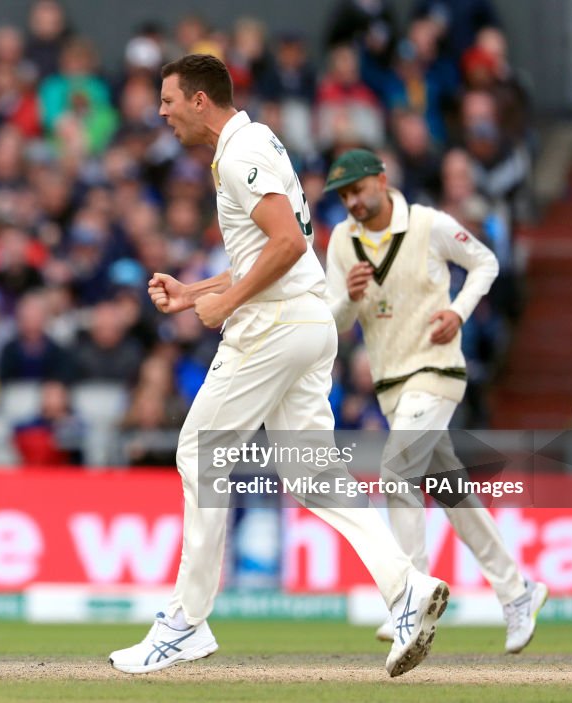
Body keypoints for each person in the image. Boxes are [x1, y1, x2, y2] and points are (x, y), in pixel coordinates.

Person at [109, 54, 447, 679]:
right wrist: (195, 293)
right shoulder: (252, 142)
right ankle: (406, 590)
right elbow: (274, 245)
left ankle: (184, 623)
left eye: (169, 100)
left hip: (273, 327)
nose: (161, 113)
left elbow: (291, 246)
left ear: (201, 101)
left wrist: (227, 304)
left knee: (199, 452)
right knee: (313, 474)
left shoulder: (239, 154)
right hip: (306, 322)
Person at [322, 148, 548, 653]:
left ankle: (410, 596)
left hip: (437, 372)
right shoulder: (342, 242)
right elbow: (333, 325)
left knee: (397, 471)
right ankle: (518, 591)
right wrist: (348, 299)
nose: (352, 202)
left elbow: (484, 263)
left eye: (358, 189)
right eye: (344, 196)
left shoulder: (426, 224)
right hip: (392, 388)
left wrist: (460, 312)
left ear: (382, 180)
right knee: (453, 495)